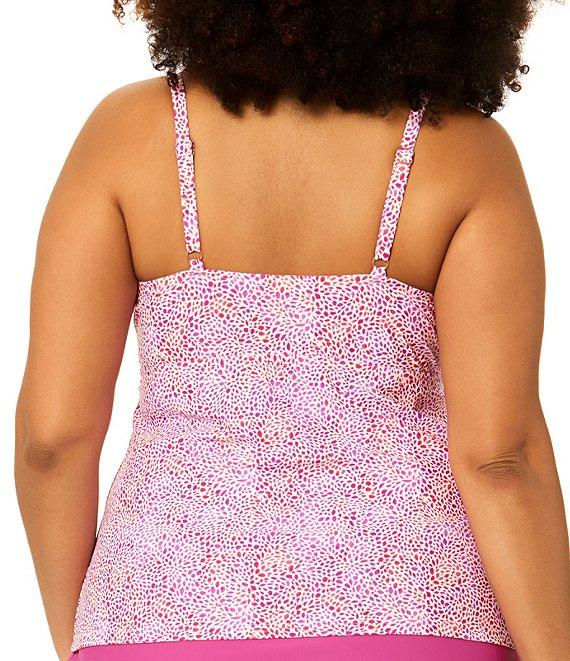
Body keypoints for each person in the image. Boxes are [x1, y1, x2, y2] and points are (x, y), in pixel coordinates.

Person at [14, 1, 570, 659]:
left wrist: (89, 635)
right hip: (425, 617)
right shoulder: (464, 152)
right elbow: (500, 457)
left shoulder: (126, 135)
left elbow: (52, 441)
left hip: (150, 620)